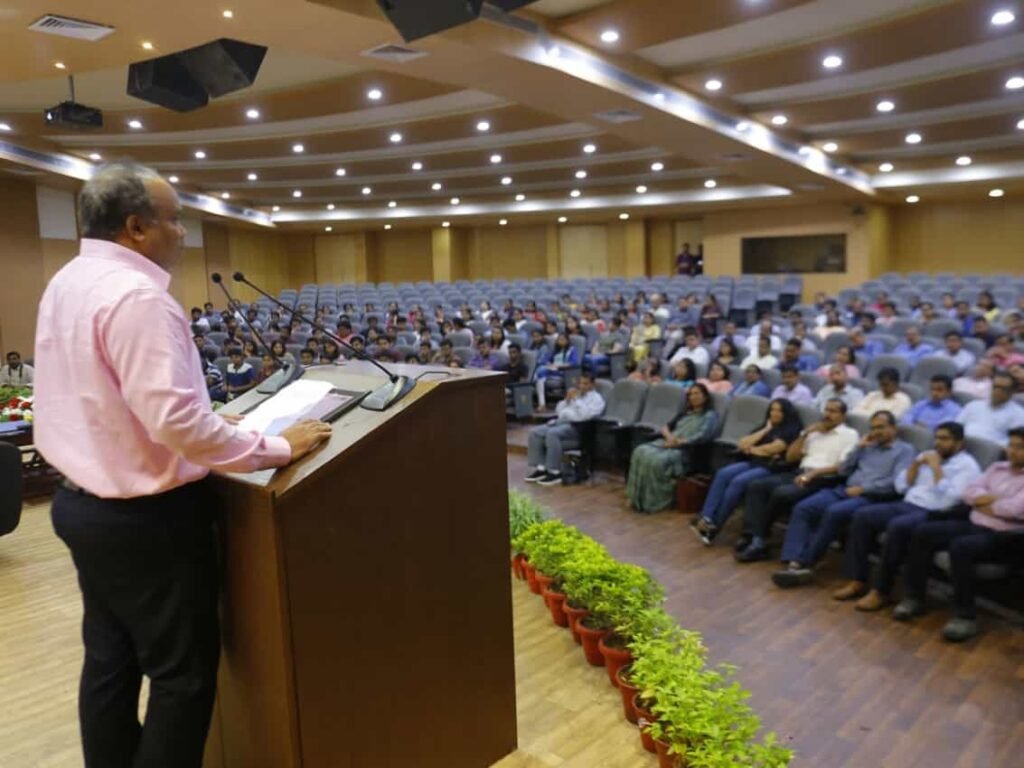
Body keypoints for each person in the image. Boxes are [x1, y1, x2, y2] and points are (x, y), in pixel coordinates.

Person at [32, 162, 332, 768]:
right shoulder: (140, 298)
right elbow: (175, 424)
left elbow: (117, 405)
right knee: (182, 678)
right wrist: (277, 447)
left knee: (110, 663)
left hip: (83, 506)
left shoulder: (68, 280)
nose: (184, 234)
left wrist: (220, 430)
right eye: (175, 220)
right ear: (137, 227)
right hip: (148, 522)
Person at [833, 422, 982, 609]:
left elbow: (950, 500)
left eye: (944, 439)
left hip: (933, 513)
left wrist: (936, 469)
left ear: (959, 443)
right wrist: (915, 466)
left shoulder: (967, 467)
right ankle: (857, 580)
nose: (938, 443)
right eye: (936, 438)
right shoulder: (927, 456)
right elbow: (901, 486)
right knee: (863, 516)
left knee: (898, 526)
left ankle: (881, 591)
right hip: (907, 503)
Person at [894, 428, 1024, 641]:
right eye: (1011, 445)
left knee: (961, 547)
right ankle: (914, 597)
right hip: (974, 522)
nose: (1013, 451)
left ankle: (965, 617)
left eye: (1020, 447)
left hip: (1005, 537)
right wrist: (991, 500)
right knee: (924, 532)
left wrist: (984, 502)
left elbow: (1014, 510)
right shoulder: (996, 468)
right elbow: (969, 492)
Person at [771, 411, 914, 587]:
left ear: (894, 428)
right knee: (804, 507)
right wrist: (859, 448)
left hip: (871, 496)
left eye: (881, 427)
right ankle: (792, 561)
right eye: (873, 428)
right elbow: (843, 470)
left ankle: (804, 563)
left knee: (834, 512)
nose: (876, 432)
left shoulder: (905, 451)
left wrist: (864, 489)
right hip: (843, 489)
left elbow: (896, 483)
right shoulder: (868, 446)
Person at [735, 399, 859, 562]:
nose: (828, 414)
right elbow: (790, 456)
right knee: (757, 485)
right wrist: (805, 434)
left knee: (781, 493)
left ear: (843, 416)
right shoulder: (815, 431)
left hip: (822, 478)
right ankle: (751, 534)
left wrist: (813, 474)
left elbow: (842, 466)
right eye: (826, 410)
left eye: (833, 411)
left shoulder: (849, 435)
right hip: (798, 471)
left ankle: (759, 541)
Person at [693, 398, 802, 544]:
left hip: (771, 467)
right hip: (753, 461)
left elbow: (775, 449)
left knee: (738, 482)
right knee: (723, 473)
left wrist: (752, 449)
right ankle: (706, 517)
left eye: (778, 410)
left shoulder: (792, 429)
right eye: (772, 409)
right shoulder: (767, 425)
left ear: (786, 412)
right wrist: (765, 430)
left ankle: (714, 526)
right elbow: (743, 442)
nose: (774, 413)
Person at [626, 383, 719, 513]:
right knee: (639, 451)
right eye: (691, 394)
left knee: (656, 460)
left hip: (687, 450)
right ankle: (637, 497)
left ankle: (655, 501)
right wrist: (670, 438)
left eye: (697, 393)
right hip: (669, 442)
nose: (693, 397)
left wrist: (678, 443)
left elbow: (702, 436)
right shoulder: (685, 413)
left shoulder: (710, 416)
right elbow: (665, 427)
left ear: (705, 397)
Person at [525, 374, 606, 486]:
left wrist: (576, 401)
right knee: (535, 432)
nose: (581, 386)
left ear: (592, 384)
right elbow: (559, 411)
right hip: (561, 422)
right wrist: (566, 400)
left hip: (578, 427)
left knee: (552, 434)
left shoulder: (597, 399)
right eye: (580, 383)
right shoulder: (575, 395)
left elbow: (584, 416)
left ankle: (554, 471)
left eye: (585, 384)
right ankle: (541, 468)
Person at [956, 372, 1024, 445]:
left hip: (990, 451)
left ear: (1012, 391)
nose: (997, 390)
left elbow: (1013, 442)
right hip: (961, 444)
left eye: (1003, 388)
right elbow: (957, 426)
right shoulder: (973, 405)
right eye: (995, 387)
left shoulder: (1019, 414)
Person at [535, 332, 580, 410]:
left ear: (567, 341)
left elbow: (574, 363)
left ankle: (541, 404)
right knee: (540, 377)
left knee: (541, 372)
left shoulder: (572, 350)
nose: (560, 341)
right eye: (559, 340)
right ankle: (542, 404)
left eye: (563, 340)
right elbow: (545, 360)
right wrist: (549, 364)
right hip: (551, 370)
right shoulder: (554, 349)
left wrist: (559, 366)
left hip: (563, 372)